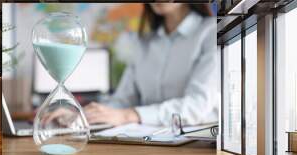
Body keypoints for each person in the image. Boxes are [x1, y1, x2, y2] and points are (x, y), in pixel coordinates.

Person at [84, 3, 219, 127]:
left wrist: (131, 115)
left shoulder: (212, 31)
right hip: (148, 140)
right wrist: (84, 116)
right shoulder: (144, 42)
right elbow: (123, 100)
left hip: (199, 141)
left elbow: (197, 105)